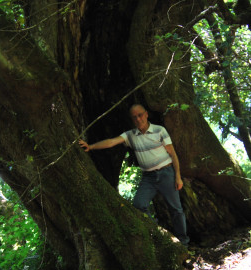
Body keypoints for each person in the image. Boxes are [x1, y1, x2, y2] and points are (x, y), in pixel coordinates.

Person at [79, 104, 189, 245]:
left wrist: (178, 176)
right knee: (138, 204)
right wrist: (91, 146)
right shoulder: (130, 135)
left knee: (176, 209)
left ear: (146, 114)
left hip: (166, 173)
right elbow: (111, 142)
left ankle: (183, 242)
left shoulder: (159, 130)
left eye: (140, 115)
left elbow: (173, 154)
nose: (138, 119)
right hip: (148, 177)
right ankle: (160, 236)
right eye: (134, 117)